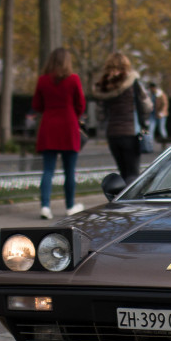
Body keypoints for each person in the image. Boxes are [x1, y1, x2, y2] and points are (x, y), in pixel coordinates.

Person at [32, 48, 86, 219]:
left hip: (49, 126)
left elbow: (37, 105)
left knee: (48, 170)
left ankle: (45, 206)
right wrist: (72, 115)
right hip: (68, 126)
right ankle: (70, 205)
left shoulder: (43, 80)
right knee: (69, 170)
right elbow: (81, 104)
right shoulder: (73, 79)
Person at [90, 52, 151, 182]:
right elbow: (147, 105)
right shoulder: (133, 83)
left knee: (122, 172)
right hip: (131, 132)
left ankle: (121, 196)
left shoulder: (104, 86)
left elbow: (99, 114)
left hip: (113, 133)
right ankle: (130, 201)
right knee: (133, 172)